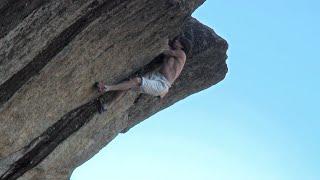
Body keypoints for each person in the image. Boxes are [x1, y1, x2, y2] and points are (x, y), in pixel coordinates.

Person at [95, 35, 191, 113]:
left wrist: (164, 40)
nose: (175, 41)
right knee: (129, 83)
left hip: (163, 84)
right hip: (156, 76)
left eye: (178, 41)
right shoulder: (173, 53)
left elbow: (165, 50)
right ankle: (106, 106)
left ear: (182, 45)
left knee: (137, 81)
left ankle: (107, 88)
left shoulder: (182, 54)